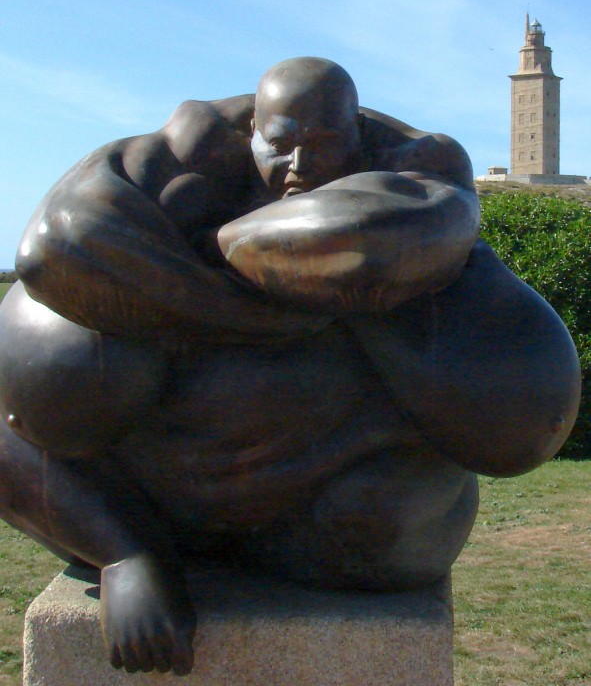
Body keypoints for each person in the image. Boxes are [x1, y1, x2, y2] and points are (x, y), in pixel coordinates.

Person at [0, 57, 580, 675]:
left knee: (395, 509)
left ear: (356, 136)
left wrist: (244, 264)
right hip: (146, 493)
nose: (299, 167)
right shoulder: (188, 152)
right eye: (281, 146)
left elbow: (363, 239)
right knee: (52, 357)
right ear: (251, 129)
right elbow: (53, 245)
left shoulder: (419, 170)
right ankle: (134, 547)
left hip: (332, 518)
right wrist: (121, 556)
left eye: (324, 146)